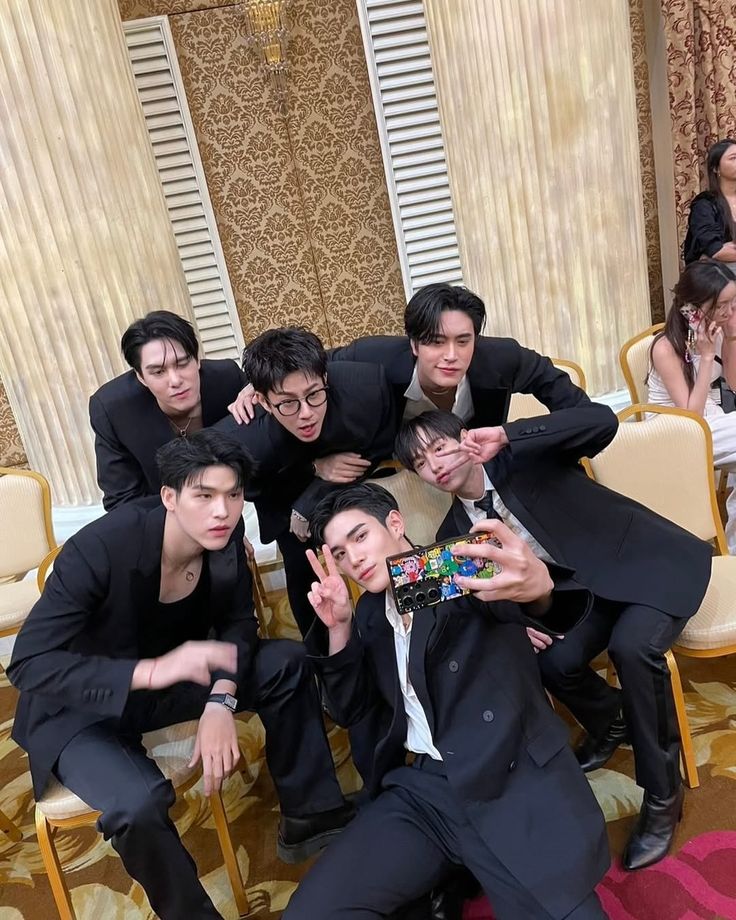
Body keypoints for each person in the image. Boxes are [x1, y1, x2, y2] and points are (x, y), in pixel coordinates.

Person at [8, 430, 353, 920]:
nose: (223, 511)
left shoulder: (224, 535)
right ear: (169, 497)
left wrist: (221, 700)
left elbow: (238, 622)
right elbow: (28, 663)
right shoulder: (100, 549)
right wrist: (149, 671)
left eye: (233, 495)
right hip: (82, 706)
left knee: (286, 662)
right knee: (137, 803)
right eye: (204, 496)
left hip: (175, 677)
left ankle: (311, 816)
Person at [394, 409, 714, 871]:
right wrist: (518, 618)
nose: (435, 464)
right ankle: (613, 721)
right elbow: (487, 600)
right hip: (582, 599)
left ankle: (663, 794)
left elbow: (601, 423)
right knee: (550, 659)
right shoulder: (454, 537)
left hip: (646, 567)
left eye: (439, 447)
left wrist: (507, 435)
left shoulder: (527, 458)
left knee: (632, 648)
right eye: (421, 463)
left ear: (464, 438)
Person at [282, 483, 610, 920]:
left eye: (360, 537)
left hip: (505, 778)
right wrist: (339, 628)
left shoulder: (456, 568)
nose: (353, 559)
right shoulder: (369, 613)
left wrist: (539, 588)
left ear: (395, 523)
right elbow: (352, 710)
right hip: (423, 789)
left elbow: (532, 602)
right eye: (339, 553)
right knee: (312, 913)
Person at [214, 326, 396, 642]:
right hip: (283, 491)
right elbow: (256, 489)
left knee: (381, 538)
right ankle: (324, 652)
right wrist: (314, 470)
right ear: (262, 401)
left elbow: (380, 446)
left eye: (314, 395)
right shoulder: (244, 439)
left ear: (326, 380)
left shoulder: (366, 389)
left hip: (352, 477)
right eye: (288, 403)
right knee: (303, 569)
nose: (306, 414)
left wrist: (319, 491)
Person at [231, 283, 597, 433]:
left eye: (464, 341)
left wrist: (511, 437)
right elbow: (310, 368)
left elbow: (580, 411)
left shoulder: (503, 357)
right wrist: (255, 385)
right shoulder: (371, 359)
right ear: (414, 345)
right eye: (436, 343)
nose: (451, 356)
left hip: (478, 469)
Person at [89, 310, 249, 509]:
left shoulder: (228, 379)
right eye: (158, 372)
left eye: (182, 364)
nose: (175, 381)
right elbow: (122, 501)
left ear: (197, 360)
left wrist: (260, 390)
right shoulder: (113, 409)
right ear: (140, 377)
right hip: (164, 520)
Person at [648, 259, 736, 552]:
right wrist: (707, 355)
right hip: (675, 431)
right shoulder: (665, 347)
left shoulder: (718, 328)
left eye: (733, 302)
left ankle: (733, 546)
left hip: (709, 420)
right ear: (696, 306)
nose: (728, 311)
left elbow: (734, 386)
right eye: (722, 304)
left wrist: (731, 337)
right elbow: (689, 419)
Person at [683, 138, 736, 267]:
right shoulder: (705, 204)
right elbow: (716, 251)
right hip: (716, 277)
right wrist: (723, 251)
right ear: (716, 168)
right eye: (733, 158)